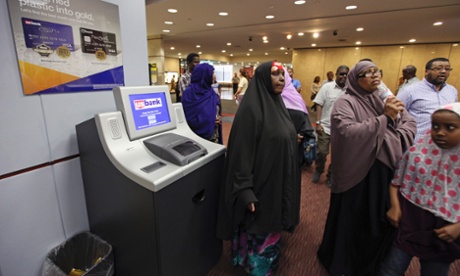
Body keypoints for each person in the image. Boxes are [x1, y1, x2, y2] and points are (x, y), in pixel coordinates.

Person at [317, 60, 416, 276]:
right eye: (367, 73)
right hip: (359, 174)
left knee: (380, 218)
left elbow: (409, 123)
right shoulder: (346, 102)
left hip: (385, 172)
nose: (374, 76)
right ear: (356, 79)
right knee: (355, 220)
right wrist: (385, 120)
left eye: (376, 72)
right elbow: (346, 132)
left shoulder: (385, 98)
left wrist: (391, 135)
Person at [216, 61, 299, 275]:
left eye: (283, 74)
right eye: (275, 74)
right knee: (259, 228)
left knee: (271, 225)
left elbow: (279, 132)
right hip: (259, 185)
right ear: (262, 78)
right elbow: (240, 153)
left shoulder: (277, 104)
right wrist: (245, 189)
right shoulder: (251, 110)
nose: (281, 78)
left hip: (276, 180)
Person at [380, 102, 460, 276]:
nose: (440, 132)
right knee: (391, 269)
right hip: (411, 222)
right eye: (436, 126)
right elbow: (396, 183)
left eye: (450, 127)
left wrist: (458, 227)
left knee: (434, 271)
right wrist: (395, 206)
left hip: (444, 231)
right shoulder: (417, 153)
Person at [397, 57, 458, 143]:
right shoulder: (409, 90)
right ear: (426, 71)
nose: (444, 71)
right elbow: (396, 115)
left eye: (447, 69)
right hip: (416, 142)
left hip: (443, 143)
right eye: (438, 68)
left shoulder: (452, 91)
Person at [311, 65, 349, 185]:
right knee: (322, 152)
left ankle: (331, 175)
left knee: (338, 155)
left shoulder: (351, 90)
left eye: (346, 74)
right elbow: (319, 104)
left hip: (343, 129)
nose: (344, 76)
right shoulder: (327, 87)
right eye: (341, 74)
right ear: (336, 74)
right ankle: (319, 169)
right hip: (326, 127)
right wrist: (318, 123)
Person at [281, 65, 315, 168]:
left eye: (282, 76)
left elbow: (304, 118)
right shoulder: (272, 98)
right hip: (280, 140)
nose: (279, 80)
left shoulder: (296, 97)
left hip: (298, 139)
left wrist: (301, 133)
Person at [181, 63, 222, 144]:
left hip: (214, 137)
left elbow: (215, 109)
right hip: (196, 141)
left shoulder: (210, 91)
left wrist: (218, 118)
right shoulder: (189, 93)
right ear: (204, 75)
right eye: (212, 73)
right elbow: (188, 118)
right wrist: (210, 120)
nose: (214, 76)